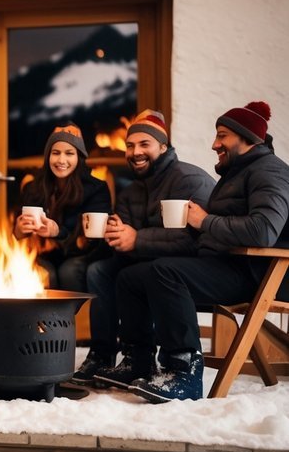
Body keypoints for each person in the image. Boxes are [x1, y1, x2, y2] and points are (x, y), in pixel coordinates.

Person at [107, 101, 289, 402]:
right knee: (131, 277)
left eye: (223, 136)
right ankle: (137, 361)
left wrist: (204, 220)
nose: (215, 144)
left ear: (248, 139)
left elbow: (263, 231)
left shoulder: (270, 172)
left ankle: (184, 371)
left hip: (262, 274)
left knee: (165, 272)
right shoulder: (238, 172)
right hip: (230, 265)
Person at [72, 110, 214, 385]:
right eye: (130, 145)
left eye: (144, 144)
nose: (135, 151)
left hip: (194, 268)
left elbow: (193, 241)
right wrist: (116, 235)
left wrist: (137, 239)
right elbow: (126, 243)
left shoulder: (189, 179)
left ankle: (172, 361)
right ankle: (115, 356)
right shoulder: (130, 191)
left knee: (142, 273)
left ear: (163, 146)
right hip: (147, 262)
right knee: (99, 271)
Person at [13, 123, 111, 291]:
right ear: (47, 156)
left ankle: (73, 318)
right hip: (45, 254)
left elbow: (94, 242)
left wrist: (57, 232)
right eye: (55, 153)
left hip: (82, 253)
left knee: (69, 271)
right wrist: (19, 231)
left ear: (79, 157)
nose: (61, 160)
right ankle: (43, 318)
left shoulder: (96, 188)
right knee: (43, 272)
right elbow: (17, 234)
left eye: (69, 153)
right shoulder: (34, 187)